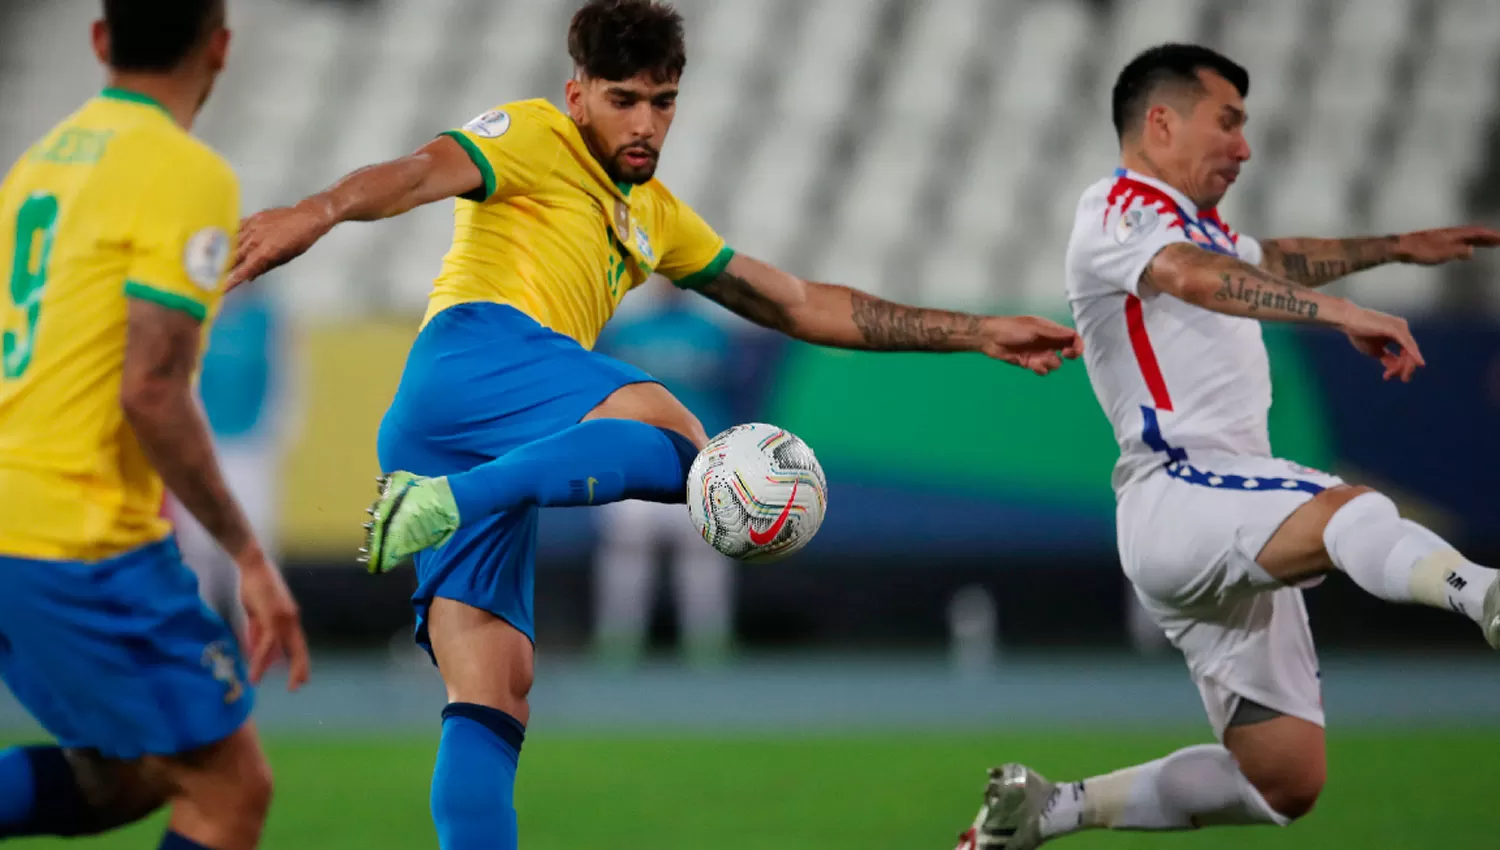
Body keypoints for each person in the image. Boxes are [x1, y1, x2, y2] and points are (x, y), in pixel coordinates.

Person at [226, 2, 1082, 847]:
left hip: (443, 428)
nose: (645, 123)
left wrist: (976, 331)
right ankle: (456, 496)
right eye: (623, 98)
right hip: (478, 352)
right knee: (685, 439)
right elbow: (418, 171)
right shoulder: (530, 133)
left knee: (494, 689)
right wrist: (319, 210)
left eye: (663, 101)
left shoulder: (655, 217)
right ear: (577, 94)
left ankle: (448, 506)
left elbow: (795, 303)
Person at [956, 43, 1500, 850]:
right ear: (1162, 121)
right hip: (1181, 488)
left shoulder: (1193, 225)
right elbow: (1191, 275)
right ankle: (1482, 593)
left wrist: (1395, 246)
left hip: (1221, 520)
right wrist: (1343, 314)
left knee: (1285, 780)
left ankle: (1050, 810)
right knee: (1350, 509)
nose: (1244, 146)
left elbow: (1264, 262)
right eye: (1228, 122)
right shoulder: (1116, 206)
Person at [0, 3, 311, 849]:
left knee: (129, 776)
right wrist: (249, 555)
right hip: (77, 532)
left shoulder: (37, 163)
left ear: (100, 41)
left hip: (12, 516)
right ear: (220, 47)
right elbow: (154, 389)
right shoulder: (181, 172)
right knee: (230, 788)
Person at [591, 279, 739, 668]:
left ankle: (708, 642)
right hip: (638, 462)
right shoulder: (627, 333)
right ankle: (618, 641)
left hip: (699, 462)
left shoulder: (712, 334)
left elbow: (737, 395)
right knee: (626, 555)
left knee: (705, 556)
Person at [168, 283, 293, 641]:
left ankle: (259, 635)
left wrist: (276, 435)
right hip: (198, 446)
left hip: (251, 448)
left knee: (254, 544)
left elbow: (286, 379)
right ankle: (198, 637)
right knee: (196, 548)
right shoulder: (190, 314)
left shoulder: (269, 315)